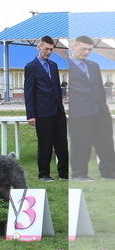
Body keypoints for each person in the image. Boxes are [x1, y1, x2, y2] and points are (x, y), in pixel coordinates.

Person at [68, 35, 115, 181]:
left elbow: (99, 89)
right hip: (80, 112)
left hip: (100, 111)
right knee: (82, 144)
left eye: (89, 49)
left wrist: (105, 109)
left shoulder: (93, 65)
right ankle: (79, 174)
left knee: (106, 142)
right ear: (72, 47)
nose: (86, 52)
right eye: (83, 49)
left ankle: (109, 173)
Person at [24, 35, 68, 182]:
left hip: (58, 111)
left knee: (62, 143)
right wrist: (31, 115)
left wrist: (62, 111)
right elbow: (29, 92)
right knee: (45, 143)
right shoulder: (31, 67)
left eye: (51, 49)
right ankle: (44, 173)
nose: (48, 52)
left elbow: (56, 89)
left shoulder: (54, 66)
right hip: (42, 112)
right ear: (39, 47)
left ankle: (64, 173)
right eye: (46, 49)